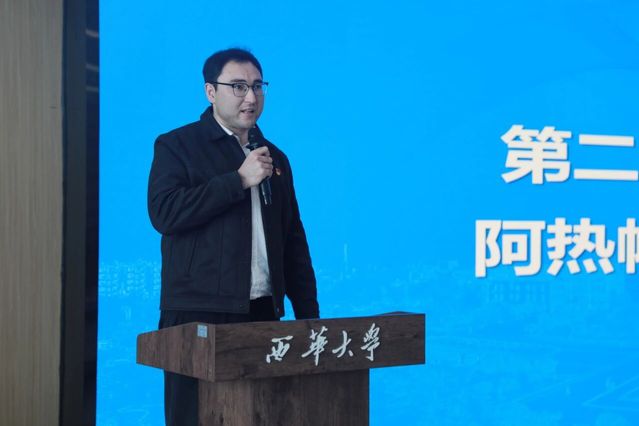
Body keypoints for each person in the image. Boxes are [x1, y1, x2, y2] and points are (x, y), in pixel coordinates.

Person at [147, 47, 319, 426]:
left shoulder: (274, 158)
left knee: (263, 416)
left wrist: (310, 319)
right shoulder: (177, 145)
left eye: (258, 86)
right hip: (196, 315)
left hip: (262, 313)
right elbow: (164, 213)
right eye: (238, 86)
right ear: (211, 91)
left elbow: (292, 242)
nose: (251, 97)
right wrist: (238, 180)